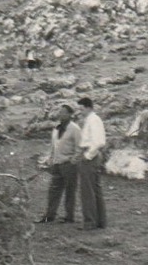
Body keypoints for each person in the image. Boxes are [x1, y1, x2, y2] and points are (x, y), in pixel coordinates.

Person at [38, 103, 81, 223]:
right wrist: (50, 159)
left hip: (69, 164)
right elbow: (54, 145)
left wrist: (73, 159)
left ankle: (69, 216)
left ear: (70, 114)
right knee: (53, 190)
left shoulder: (75, 129)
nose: (60, 114)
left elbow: (80, 147)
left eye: (63, 112)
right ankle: (50, 215)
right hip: (57, 163)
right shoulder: (57, 127)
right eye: (60, 112)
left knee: (70, 191)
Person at [77, 96, 107, 230]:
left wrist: (88, 156)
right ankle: (100, 221)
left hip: (90, 156)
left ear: (88, 107)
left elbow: (99, 141)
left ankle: (90, 222)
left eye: (81, 109)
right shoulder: (90, 120)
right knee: (95, 189)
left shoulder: (93, 120)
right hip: (90, 154)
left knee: (87, 190)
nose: (80, 112)